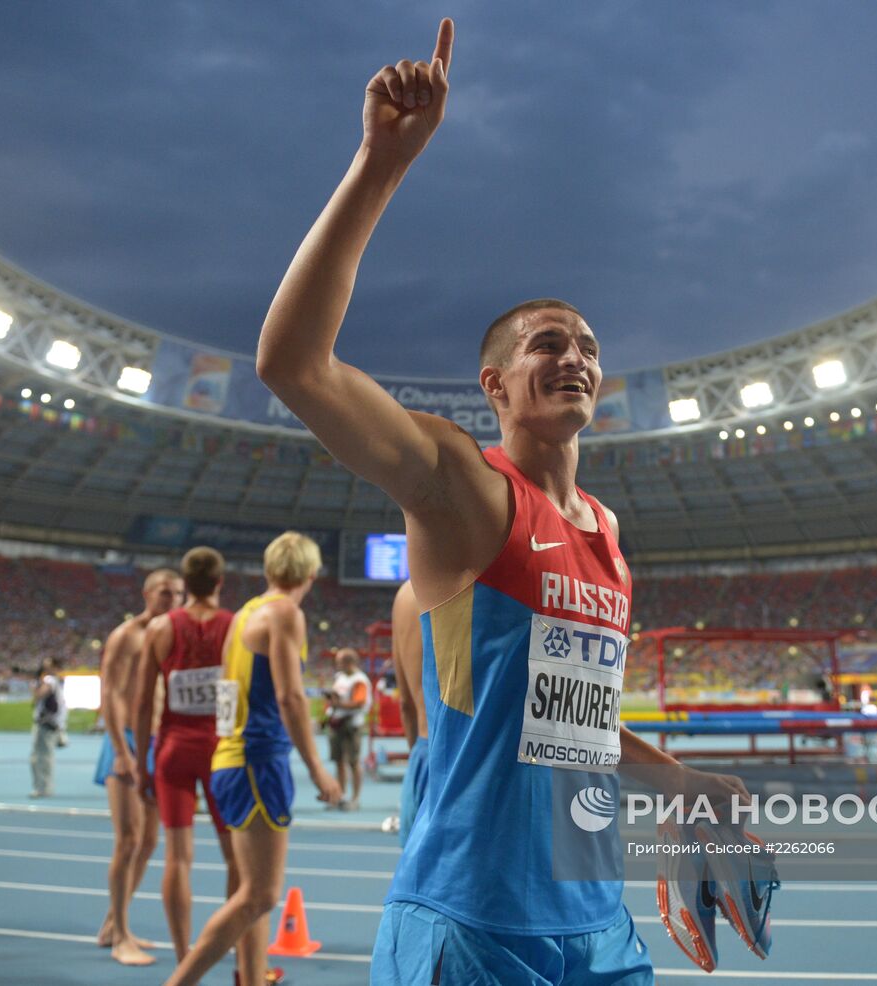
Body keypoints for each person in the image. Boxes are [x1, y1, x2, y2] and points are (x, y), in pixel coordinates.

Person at [254, 20, 751, 983]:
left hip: (595, 921)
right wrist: (380, 165)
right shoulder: (468, 497)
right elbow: (294, 363)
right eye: (547, 344)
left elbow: (573, 723)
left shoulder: (607, 535)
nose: (575, 358)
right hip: (471, 921)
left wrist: (674, 778)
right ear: (494, 384)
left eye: (588, 349)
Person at [163, 532, 343, 986]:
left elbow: (227, 691)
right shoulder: (285, 614)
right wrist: (319, 768)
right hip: (258, 760)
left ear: (267, 572)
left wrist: (230, 746)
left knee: (251, 888)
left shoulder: (244, 615)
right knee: (260, 895)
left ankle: (251, 975)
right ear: (311, 574)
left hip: (234, 757)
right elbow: (290, 697)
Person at [133, 547, 237, 964]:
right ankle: (233, 946)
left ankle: (182, 959)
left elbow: (143, 704)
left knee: (178, 857)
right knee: (236, 857)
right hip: (220, 751)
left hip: (172, 750)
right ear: (219, 583)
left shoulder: (160, 628)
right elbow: (237, 694)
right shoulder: (234, 627)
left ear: (185, 583)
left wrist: (143, 763)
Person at [94, 568, 178, 966]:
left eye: (177, 593)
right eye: (164, 592)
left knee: (147, 842)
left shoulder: (170, 635)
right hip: (126, 742)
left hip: (156, 744)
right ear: (147, 593)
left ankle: (114, 923)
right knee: (127, 840)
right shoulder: (126, 635)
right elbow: (109, 694)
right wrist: (120, 750)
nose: (172, 599)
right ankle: (120, 938)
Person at [389, 580, 428, 845]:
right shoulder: (478, 579)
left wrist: (418, 755)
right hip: (471, 759)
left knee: (416, 882)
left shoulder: (405, 595)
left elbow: (406, 703)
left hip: (424, 755)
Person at [326, 646, 371, 810]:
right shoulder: (340, 677)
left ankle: (355, 798)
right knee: (338, 761)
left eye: (339, 661)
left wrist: (339, 704)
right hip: (337, 722)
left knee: (353, 762)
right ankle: (340, 796)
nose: (337, 664)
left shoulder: (359, 680)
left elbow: (359, 702)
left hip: (351, 724)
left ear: (349, 662)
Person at [28, 657, 66, 798]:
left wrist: (33, 685)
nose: (45, 668)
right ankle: (45, 787)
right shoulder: (57, 681)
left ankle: (42, 788)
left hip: (46, 724)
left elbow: (38, 695)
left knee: (40, 758)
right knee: (45, 757)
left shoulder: (49, 681)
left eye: (48, 665)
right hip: (53, 723)